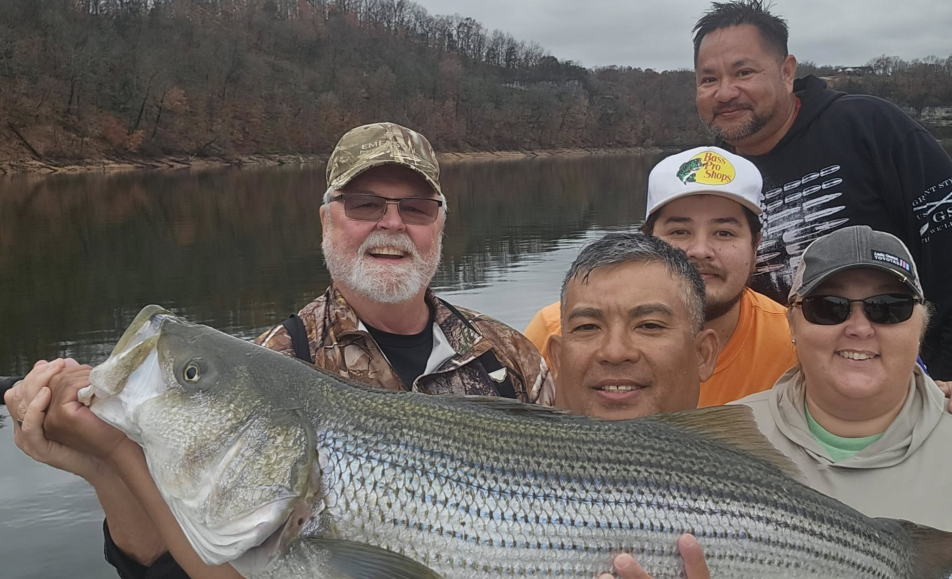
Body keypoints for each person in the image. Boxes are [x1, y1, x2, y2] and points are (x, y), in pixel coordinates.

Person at [4, 122, 555, 579]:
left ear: (440, 226)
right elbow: (169, 564)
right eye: (364, 204)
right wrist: (108, 465)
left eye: (416, 208)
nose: (391, 223)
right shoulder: (271, 367)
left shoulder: (509, 354)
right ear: (326, 220)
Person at [692, 0, 952, 381]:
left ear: (786, 71)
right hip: (771, 393)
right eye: (708, 80)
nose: (725, 92)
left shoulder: (872, 129)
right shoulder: (705, 177)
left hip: (905, 388)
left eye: (743, 72)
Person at [526, 147, 797, 407]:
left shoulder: (795, 342)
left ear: (756, 244)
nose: (700, 250)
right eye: (679, 232)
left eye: (724, 233)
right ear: (647, 240)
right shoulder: (556, 330)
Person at [739, 225, 952, 531]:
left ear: (921, 327)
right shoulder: (725, 439)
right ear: (792, 325)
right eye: (828, 307)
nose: (859, 329)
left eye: (889, 307)